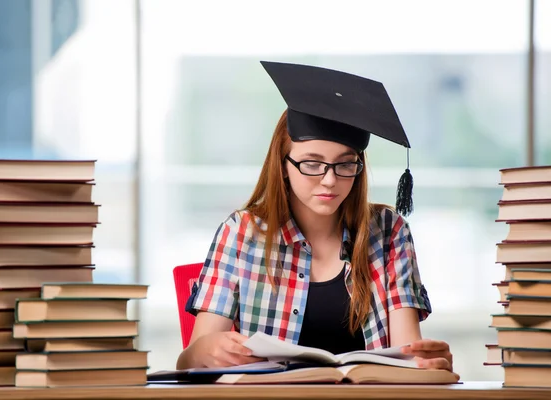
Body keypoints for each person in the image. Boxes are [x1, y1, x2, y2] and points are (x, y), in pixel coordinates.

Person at [176, 61, 453, 372]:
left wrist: (425, 362)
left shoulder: (389, 232)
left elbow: (407, 351)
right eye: (311, 164)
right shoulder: (242, 232)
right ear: (283, 165)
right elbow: (187, 362)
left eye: (345, 164)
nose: (329, 180)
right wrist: (206, 350)